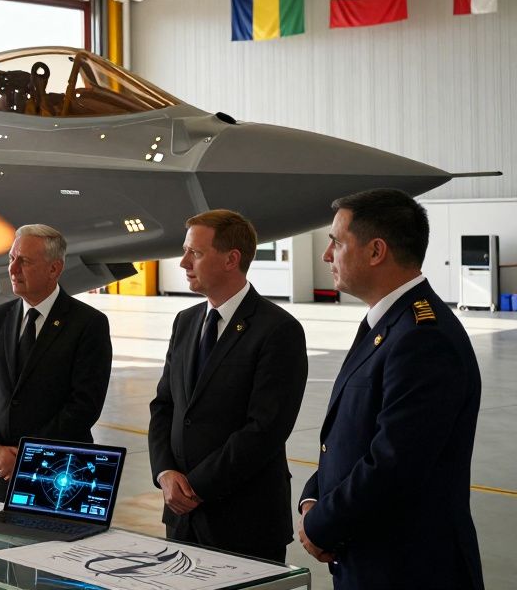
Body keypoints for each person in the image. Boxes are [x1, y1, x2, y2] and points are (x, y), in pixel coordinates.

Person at [298, 189, 483, 589]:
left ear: (376, 251)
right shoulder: (386, 325)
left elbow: (394, 462)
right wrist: (315, 497)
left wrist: (322, 523)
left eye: (336, 242)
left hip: (409, 569)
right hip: (368, 559)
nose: (326, 256)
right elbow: (351, 437)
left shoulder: (422, 336)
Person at [148, 210, 307, 562]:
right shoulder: (186, 322)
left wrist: (195, 487)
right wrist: (165, 473)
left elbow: (266, 428)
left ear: (231, 259)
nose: (184, 263)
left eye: (196, 253)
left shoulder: (278, 330)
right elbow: (165, 406)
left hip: (244, 521)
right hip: (181, 517)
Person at [0, 224, 113, 501]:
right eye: (11, 259)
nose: (13, 269)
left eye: (25, 262)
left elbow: (84, 406)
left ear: (54, 269)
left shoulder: (88, 324)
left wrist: (28, 455)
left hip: (57, 477)